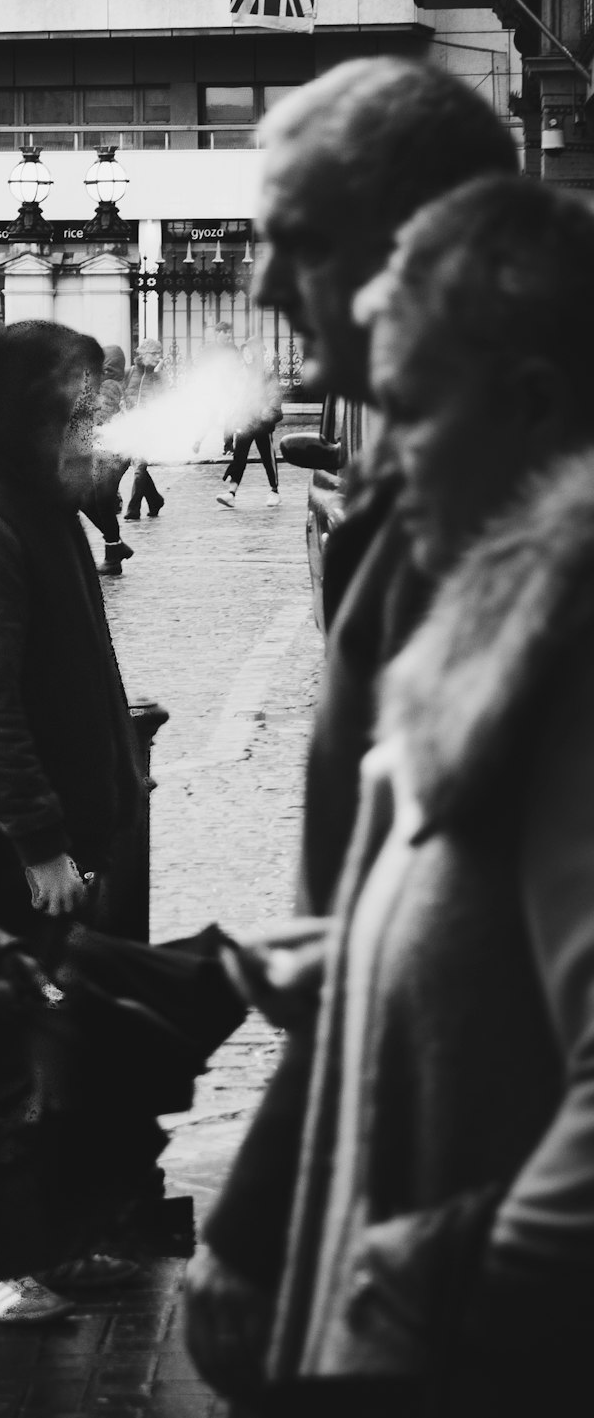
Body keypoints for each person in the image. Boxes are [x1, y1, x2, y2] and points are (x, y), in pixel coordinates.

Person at [184, 58, 521, 1403]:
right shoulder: (412, 496)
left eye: (298, 242)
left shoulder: (510, 534)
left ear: (417, 249)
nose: (268, 287)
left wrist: (280, 1229)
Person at [259, 175, 594, 1413]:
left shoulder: (570, 636)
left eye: (405, 409)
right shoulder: (498, 604)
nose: (387, 455)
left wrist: (443, 1288)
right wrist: (361, 962)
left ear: (530, 405)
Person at [0, 321, 145, 1324]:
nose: (90, 421)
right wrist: (39, 836)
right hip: (8, 846)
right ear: (29, 412)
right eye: (75, 405)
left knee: (46, 1046)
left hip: (50, 836)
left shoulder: (38, 499)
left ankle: (47, 1236)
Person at [79, 343, 134, 576]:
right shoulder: (102, 384)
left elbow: (101, 417)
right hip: (107, 452)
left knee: (101, 500)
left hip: (114, 452)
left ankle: (113, 557)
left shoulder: (110, 386)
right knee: (87, 499)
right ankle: (116, 545)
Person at [215, 335, 283, 508]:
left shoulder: (267, 375)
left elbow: (274, 397)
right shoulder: (240, 375)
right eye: (244, 352)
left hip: (262, 423)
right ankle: (231, 493)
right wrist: (229, 431)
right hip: (244, 423)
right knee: (239, 459)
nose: (247, 356)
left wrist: (269, 412)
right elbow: (234, 402)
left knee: (268, 457)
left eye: (250, 352)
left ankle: (274, 491)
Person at [123, 336, 167, 520]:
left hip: (148, 427)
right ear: (144, 354)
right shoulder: (130, 372)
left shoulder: (159, 376)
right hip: (131, 425)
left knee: (140, 466)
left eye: (160, 353)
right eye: (155, 353)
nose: (159, 357)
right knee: (139, 466)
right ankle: (155, 500)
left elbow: (164, 399)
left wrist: (157, 374)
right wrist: (123, 408)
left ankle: (133, 509)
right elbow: (121, 392)